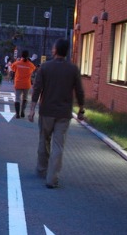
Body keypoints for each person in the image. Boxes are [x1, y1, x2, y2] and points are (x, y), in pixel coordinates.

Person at [28, 39, 85, 189]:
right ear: (66, 51)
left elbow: (37, 89)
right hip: (64, 113)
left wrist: (32, 109)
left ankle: (41, 170)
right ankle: (52, 179)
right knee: (58, 145)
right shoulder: (73, 69)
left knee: (43, 140)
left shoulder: (45, 67)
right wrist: (81, 109)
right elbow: (79, 90)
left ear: (54, 50)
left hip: (46, 111)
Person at [11, 51, 36, 118]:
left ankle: (17, 114)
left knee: (17, 98)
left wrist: (18, 60)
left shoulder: (17, 63)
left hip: (18, 83)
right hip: (26, 84)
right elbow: (34, 69)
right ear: (28, 56)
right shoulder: (30, 65)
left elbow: (12, 68)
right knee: (25, 98)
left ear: (21, 55)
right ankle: (23, 111)